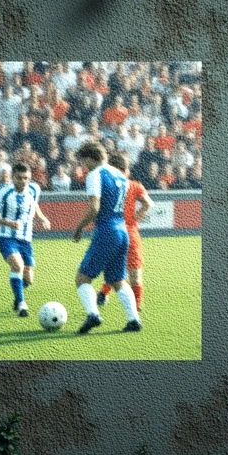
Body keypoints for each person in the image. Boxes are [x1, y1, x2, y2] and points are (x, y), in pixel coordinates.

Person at [71, 142, 142, 333]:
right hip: (122, 231)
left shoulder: (95, 174)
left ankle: (93, 315)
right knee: (118, 280)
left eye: (83, 161)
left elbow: (95, 207)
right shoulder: (120, 175)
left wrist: (79, 228)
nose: (83, 166)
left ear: (89, 158)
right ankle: (134, 319)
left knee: (82, 278)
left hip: (106, 231)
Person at [0, 162, 52, 317]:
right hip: (6, 236)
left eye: (26, 178)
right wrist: (8, 223)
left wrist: (42, 218)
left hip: (26, 238)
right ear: (13, 177)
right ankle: (22, 305)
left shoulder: (34, 189)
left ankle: (18, 294)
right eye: (19, 178)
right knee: (17, 266)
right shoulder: (4, 192)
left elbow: (34, 205)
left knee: (29, 279)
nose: (23, 181)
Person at [96, 152, 153, 313]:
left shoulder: (105, 186)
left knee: (113, 267)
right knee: (134, 271)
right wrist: (135, 219)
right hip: (130, 232)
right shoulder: (134, 185)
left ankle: (103, 292)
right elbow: (148, 203)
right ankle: (136, 306)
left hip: (112, 231)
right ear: (125, 170)